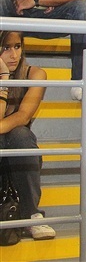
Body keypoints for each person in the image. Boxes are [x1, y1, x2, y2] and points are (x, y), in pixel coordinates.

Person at [0, 30, 56, 240]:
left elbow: (23, 116)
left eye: (17, 46)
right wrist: (3, 78)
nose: (14, 54)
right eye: (6, 48)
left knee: (21, 135)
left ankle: (32, 215)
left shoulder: (35, 74)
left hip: (18, 150)